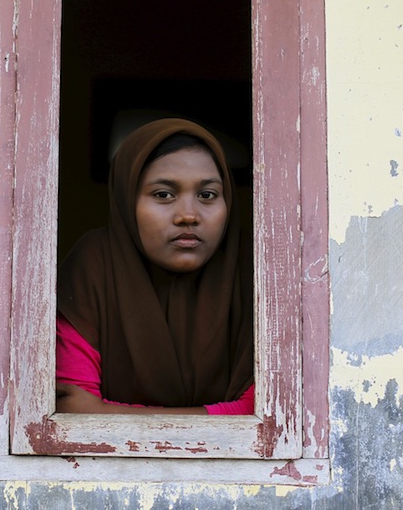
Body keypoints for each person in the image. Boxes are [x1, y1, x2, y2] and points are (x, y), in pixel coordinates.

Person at [55, 118, 254, 415]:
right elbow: (73, 405)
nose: (188, 215)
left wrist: (110, 413)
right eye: (163, 195)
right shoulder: (96, 263)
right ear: (127, 200)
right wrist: (221, 416)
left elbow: (266, 410)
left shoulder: (257, 269)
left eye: (207, 195)